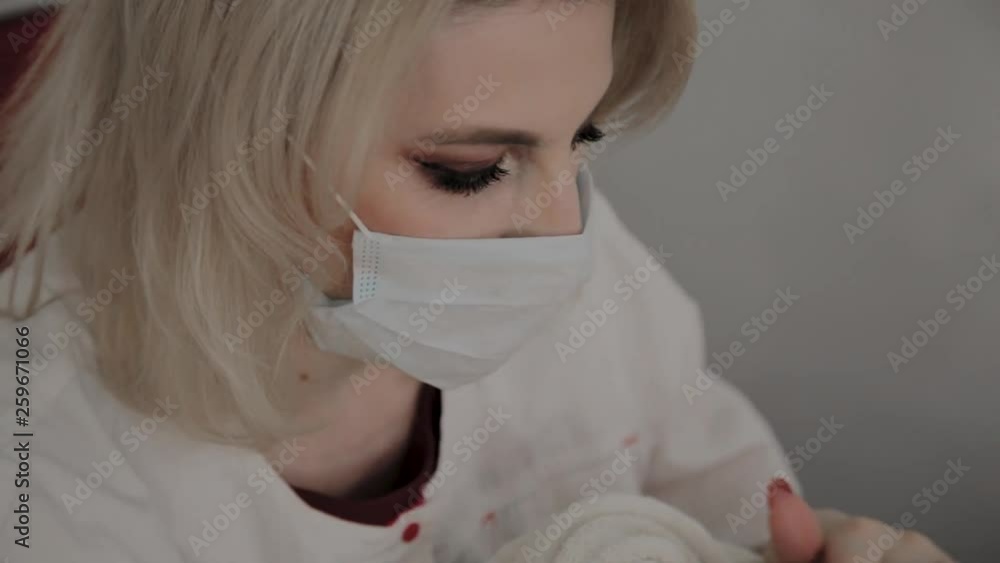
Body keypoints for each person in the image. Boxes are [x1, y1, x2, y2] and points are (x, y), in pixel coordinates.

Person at [0, 1, 953, 562]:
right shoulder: (48, 460)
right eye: (469, 171)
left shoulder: (589, 279)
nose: (564, 232)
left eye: (579, 144)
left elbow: (712, 489)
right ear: (220, 141)